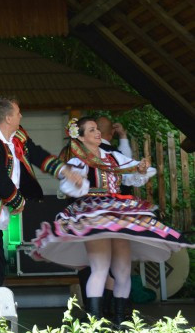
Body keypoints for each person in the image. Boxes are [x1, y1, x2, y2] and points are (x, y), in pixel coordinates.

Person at [32, 116, 193, 322]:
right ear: (80, 137)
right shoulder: (77, 161)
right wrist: (79, 181)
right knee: (99, 268)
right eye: (91, 130)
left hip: (119, 212)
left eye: (97, 129)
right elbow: (69, 186)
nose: (97, 132)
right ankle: (94, 322)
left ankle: (119, 320)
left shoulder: (114, 157)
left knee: (122, 270)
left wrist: (141, 167)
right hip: (94, 213)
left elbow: (135, 171)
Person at [0, 97, 82, 288]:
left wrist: (64, 170)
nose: (21, 115)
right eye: (18, 113)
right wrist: (18, 202)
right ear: (8, 118)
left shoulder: (18, 135)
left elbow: (36, 153)